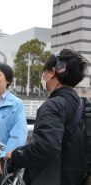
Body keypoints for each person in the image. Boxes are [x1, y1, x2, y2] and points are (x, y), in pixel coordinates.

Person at [5, 48, 88, 185]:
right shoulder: (82, 103)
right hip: (75, 176)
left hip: (53, 177)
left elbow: (46, 147)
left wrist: (15, 155)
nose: (43, 76)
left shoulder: (53, 105)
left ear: (52, 72)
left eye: (45, 71)